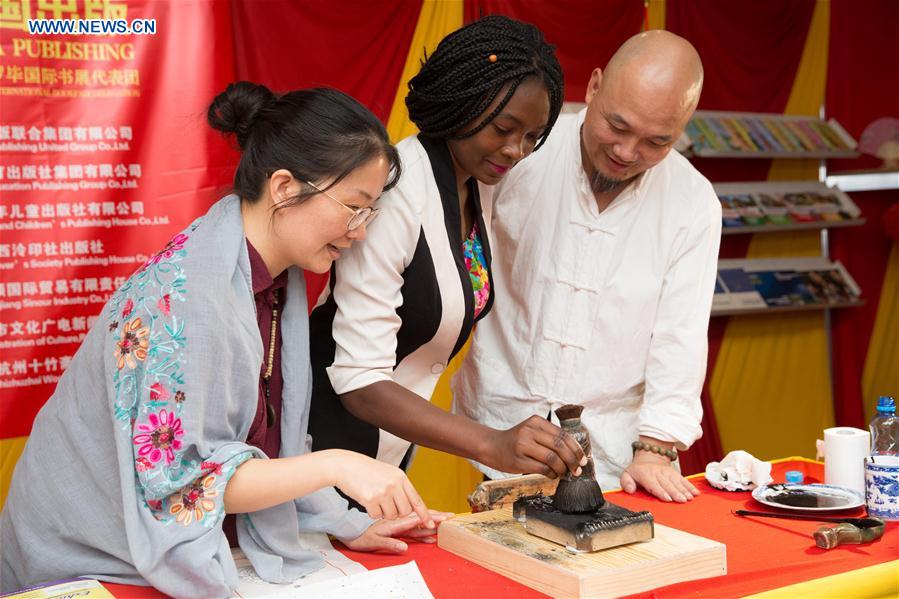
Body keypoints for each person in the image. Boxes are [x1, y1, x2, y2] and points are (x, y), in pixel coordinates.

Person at [0, 82, 446, 598]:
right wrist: (341, 464)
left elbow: (261, 444)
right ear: (284, 187)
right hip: (86, 559)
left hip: (180, 542)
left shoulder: (280, 278)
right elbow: (181, 485)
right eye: (354, 207)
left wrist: (347, 523)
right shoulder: (187, 298)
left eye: (371, 213)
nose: (360, 232)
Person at [309, 16, 587, 479]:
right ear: (462, 103)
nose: (516, 150)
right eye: (503, 128)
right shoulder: (395, 193)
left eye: (532, 137)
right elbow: (359, 380)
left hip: (389, 448)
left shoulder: (478, 185)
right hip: (326, 443)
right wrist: (490, 443)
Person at [453, 30, 723, 503]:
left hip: (618, 450)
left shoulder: (693, 200)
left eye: (657, 141)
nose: (626, 152)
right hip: (503, 424)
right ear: (594, 87)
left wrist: (657, 447)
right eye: (617, 127)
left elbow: (680, 334)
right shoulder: (518, 152)